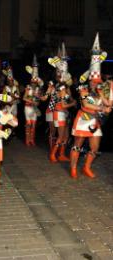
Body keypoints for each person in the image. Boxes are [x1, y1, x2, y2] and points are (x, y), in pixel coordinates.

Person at [70, 33, 111, 179]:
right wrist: (101, 108)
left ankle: (86, 167)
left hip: (95, 122)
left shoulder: (100, 90)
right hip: (83, 119)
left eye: (97, 81)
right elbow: (86, 103)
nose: (95, 83)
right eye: (93, 81)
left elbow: (108, 103)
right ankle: (73, 168)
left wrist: (108, 95)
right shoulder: (83, 90)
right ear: (89, 81)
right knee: (77, 145)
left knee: (95, 148)